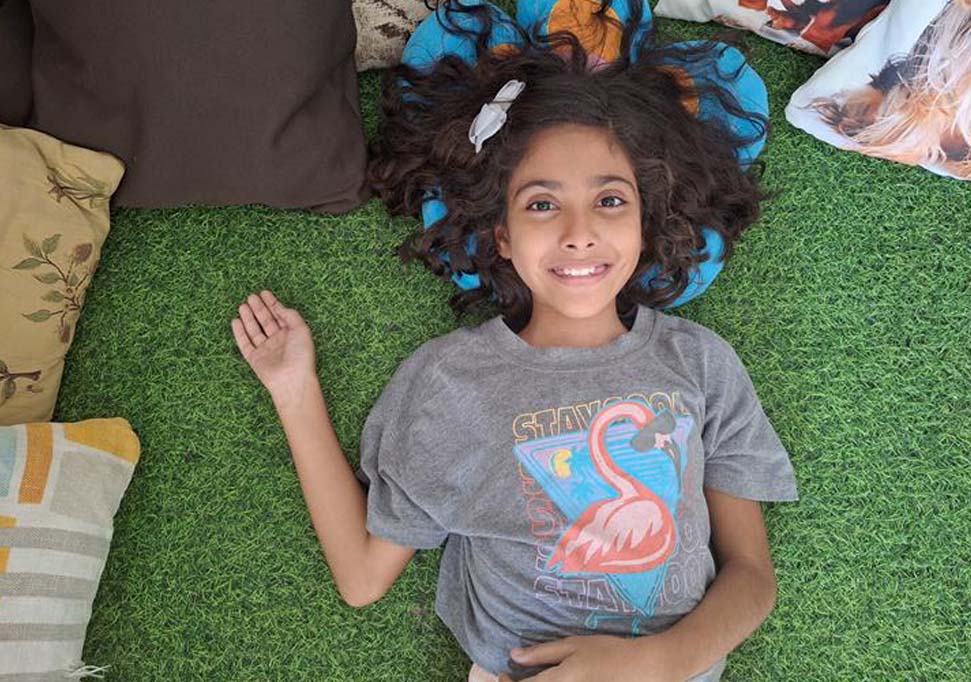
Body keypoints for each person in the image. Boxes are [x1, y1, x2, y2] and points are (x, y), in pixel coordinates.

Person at [231, 1, 797, 679]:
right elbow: (362, 577)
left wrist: (653, 661)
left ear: (646, 222)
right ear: (501, 234)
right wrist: (294, 389)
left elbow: (751, 577)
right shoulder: (450, 380)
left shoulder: (700, 362)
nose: (579, 233)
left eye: (610, 200)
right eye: (542, 204)